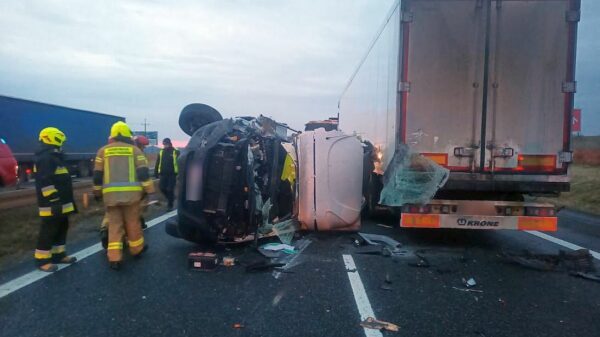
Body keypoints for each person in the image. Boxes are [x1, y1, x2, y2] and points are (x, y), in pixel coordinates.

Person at [93, 121, 155, 270]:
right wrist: (149, 191)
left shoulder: (103, 151)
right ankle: (137, 250)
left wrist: (96, 192)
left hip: (111, 198)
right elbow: (143, 174)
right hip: (131, 197)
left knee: (114, 226)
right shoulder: (135, 151)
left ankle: (114, 258)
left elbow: (97, 175)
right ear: (127, 135)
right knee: (133, 224)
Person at [34, 127, 77, 272]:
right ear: (53, 139)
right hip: (52, 204)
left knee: (61, 227)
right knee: (48, 230)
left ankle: (59, 255)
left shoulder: (55, 157)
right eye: (60, 141)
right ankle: (42, 260)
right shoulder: (46, 158)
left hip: (61, 203)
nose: (62, 144)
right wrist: (53, 200)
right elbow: (44, 182)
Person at [99, 135, 151, 249]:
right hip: (132, 191)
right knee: (131, 217)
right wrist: (147, 189)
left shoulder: (107, 153)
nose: (144, 148)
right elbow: (142, 173)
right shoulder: (135, 153)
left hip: (110, 192)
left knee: (112, 215)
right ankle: (131, 241)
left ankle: (105, 230)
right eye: (143, 146)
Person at [154, 137, 179, 210]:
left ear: (169, 143)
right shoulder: (161, 152)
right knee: (162, 188)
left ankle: (170, 205)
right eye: (164, 144)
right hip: (163, 174)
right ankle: (171, 198)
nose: (165, 145)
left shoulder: (175, 152)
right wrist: (156, 172)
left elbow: (179, 162)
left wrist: (180, 173)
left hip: (172, 174)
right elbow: (158, 162)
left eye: (166, 144)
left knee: (170, 189)